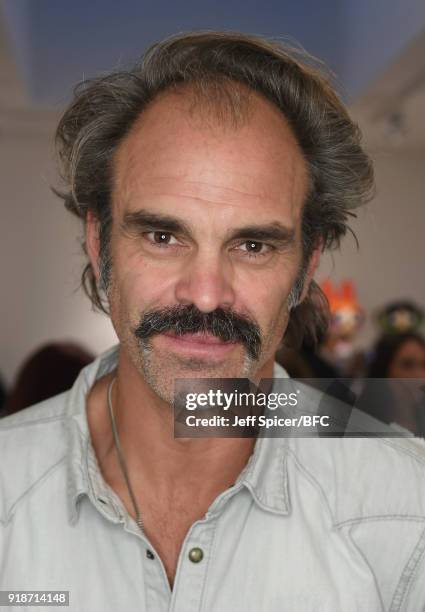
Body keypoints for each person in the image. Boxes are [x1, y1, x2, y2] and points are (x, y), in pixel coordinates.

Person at [1, 31, 425, 611]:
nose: (205, 296)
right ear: (99, 247)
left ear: (306, 267)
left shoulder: (407, 504)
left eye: (253, 245)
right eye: (162, 235)